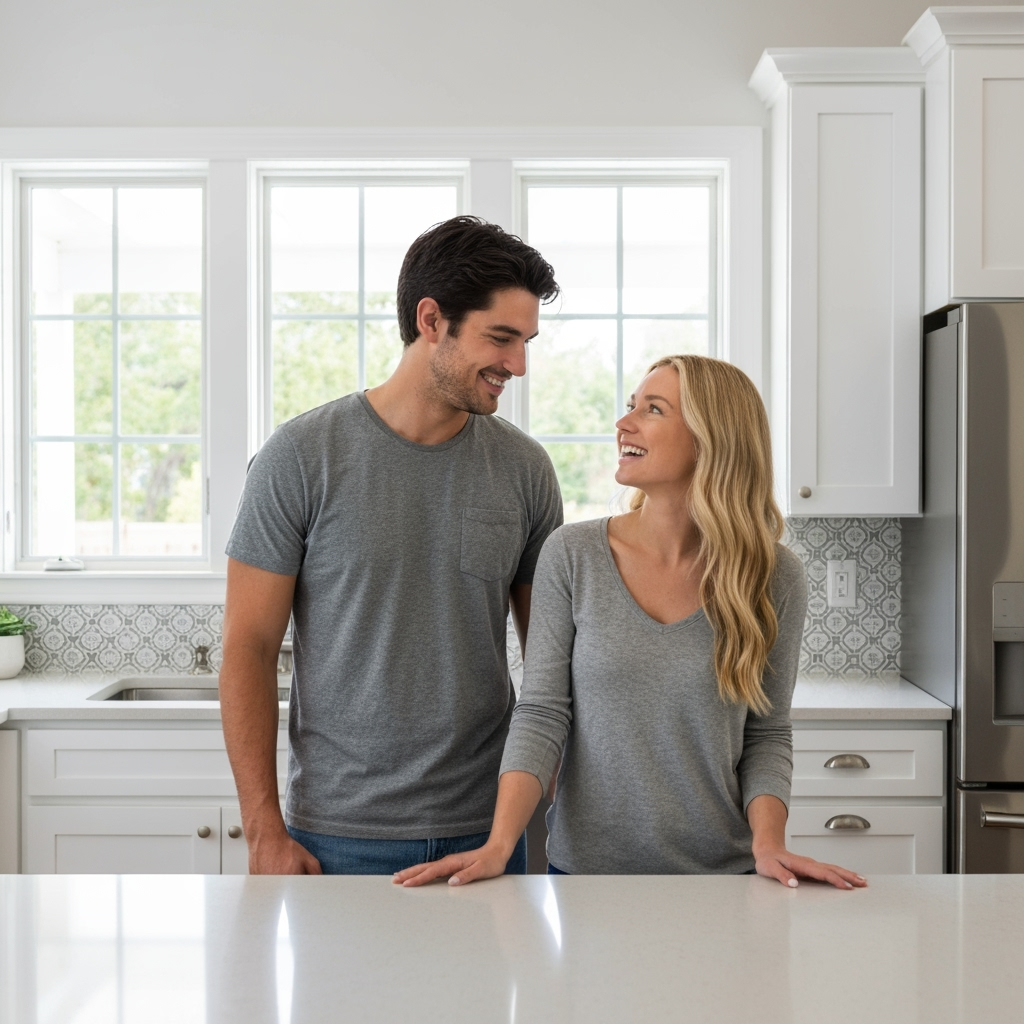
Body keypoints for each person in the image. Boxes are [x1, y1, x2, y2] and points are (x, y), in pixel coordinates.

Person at [395, 355, 867, 889]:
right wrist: (500, 844)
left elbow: (766, 734)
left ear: (712, 439)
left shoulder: (773, 575)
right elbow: (543, 713)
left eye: (654, 409)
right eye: (629, 407)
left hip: (723, 877)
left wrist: (768, 845)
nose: (624, 423)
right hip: (586, 875)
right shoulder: (573, 554)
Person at [220, 216, 563, 875]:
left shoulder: (524, 470)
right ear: (431, 320)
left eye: (526, 342)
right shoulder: (300, 457)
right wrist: (264, 831)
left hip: (489, 837)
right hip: (337, 837)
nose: (518, 365)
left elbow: (550, 664)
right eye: (501, 338)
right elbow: (248, 649)